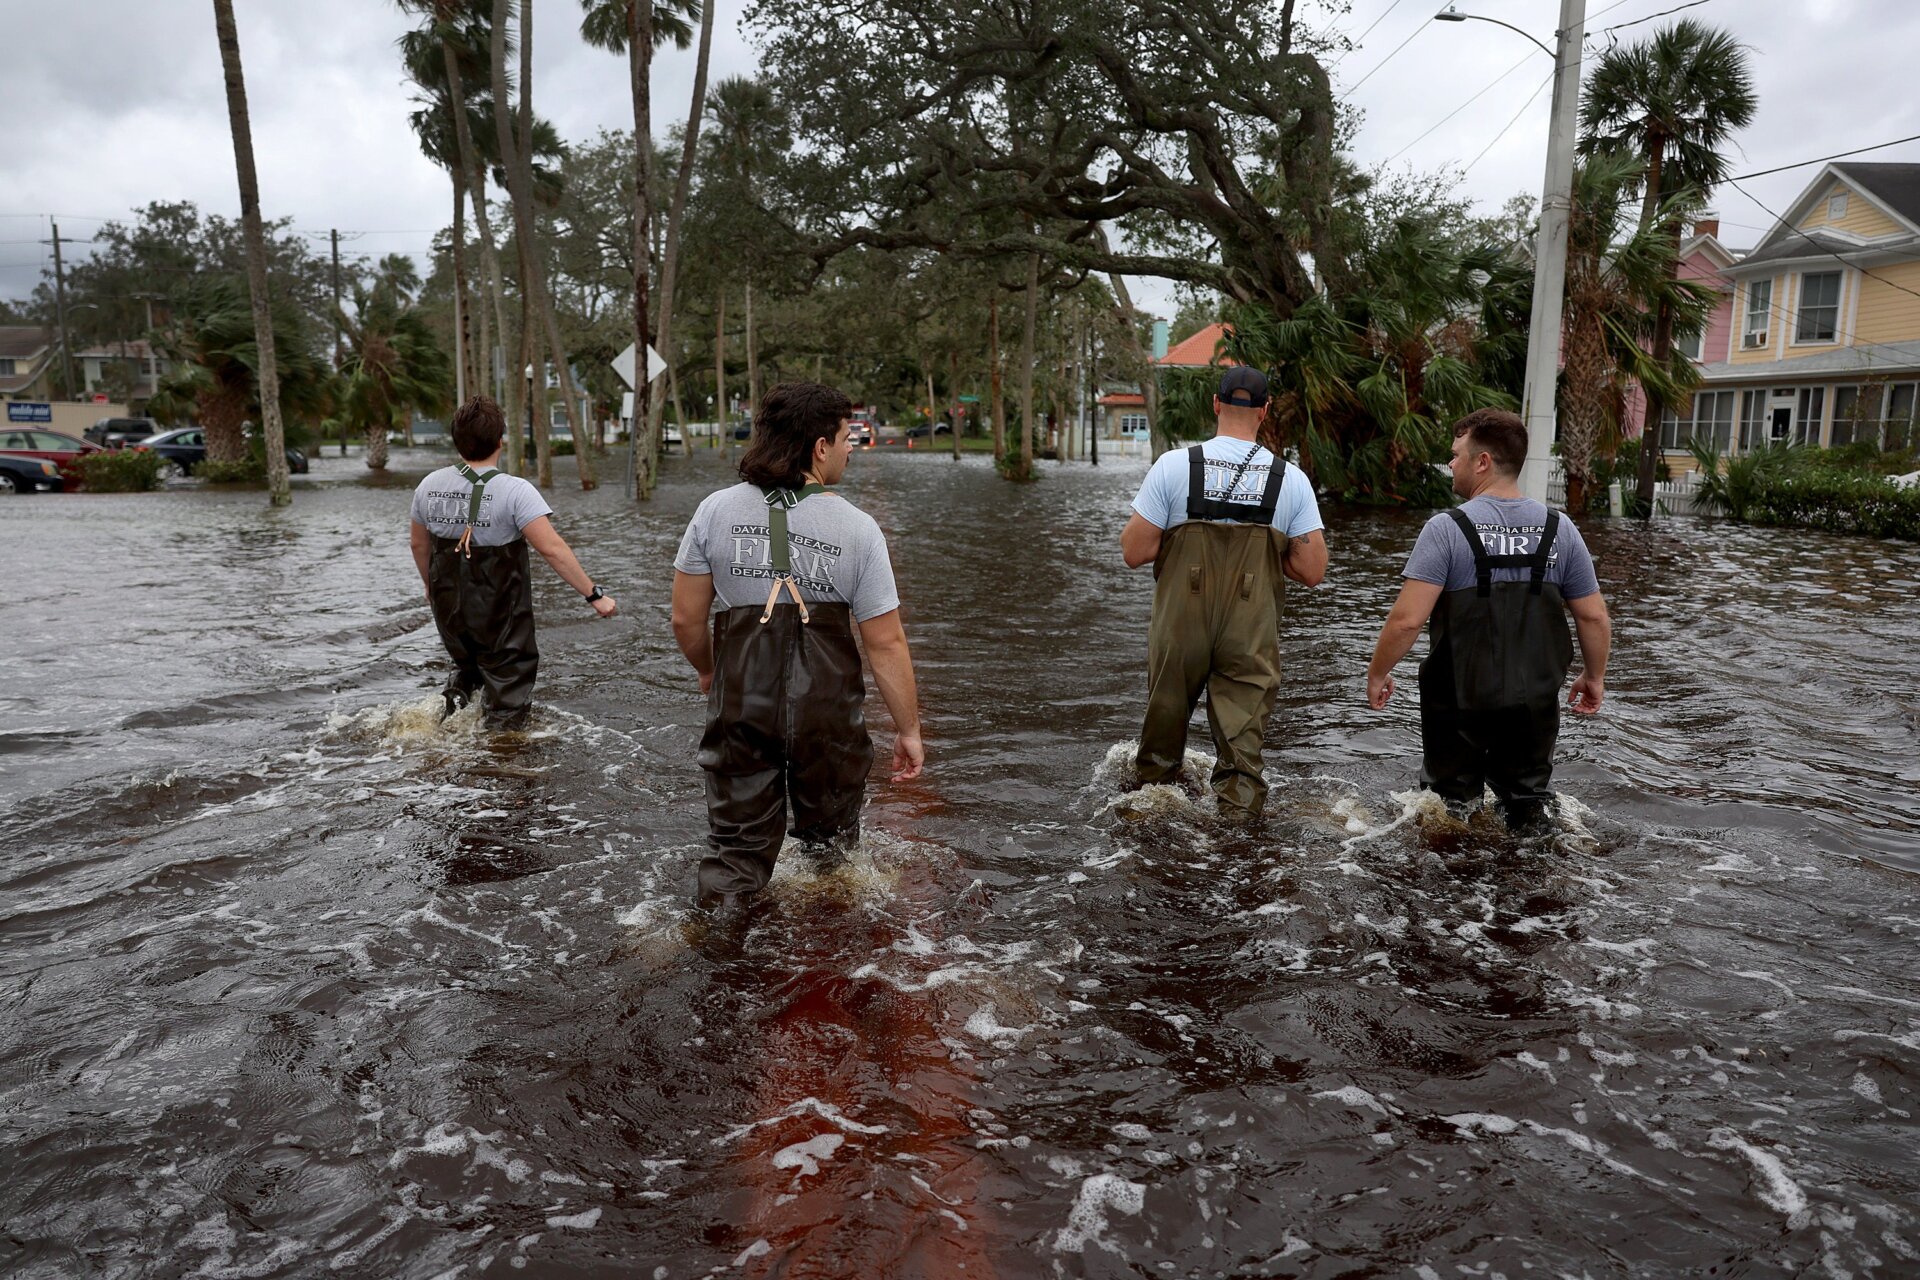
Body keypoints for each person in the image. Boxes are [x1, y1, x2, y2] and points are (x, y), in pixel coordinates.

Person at [671, 380, 924, 911]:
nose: (852, 447)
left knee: (735, 855)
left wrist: (709, 670)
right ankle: (825, 963)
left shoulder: (714, 511)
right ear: (820, 448)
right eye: (846, 437)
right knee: (832, 860)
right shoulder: (858, 529)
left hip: (742, 703)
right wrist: (908, 728)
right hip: (826, 717)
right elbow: (886, 643)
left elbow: (686, 619)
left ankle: (713, 949)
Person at [1365, 407, 1612, 830]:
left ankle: (1453, 890)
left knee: (1448, 811)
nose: (1451, 463)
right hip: (1533, 702)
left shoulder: (1445, 529)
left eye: (1457, 454)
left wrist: (1378, 671)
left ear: (1483, 462)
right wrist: (1594, 676)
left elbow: (1407, 620)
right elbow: (1593, 618)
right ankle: (1533, 886)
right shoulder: (1560, 530)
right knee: (1529, 808)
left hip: (1458, 700)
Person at [1119, 365, 1328, 816]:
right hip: (1251, 627)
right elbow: (1313, 570)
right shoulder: (1289, 479)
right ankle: (1237, 847)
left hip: (1181, 624)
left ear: (1215, 404)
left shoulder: (1174, 466)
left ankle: (1150, 833)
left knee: (1159, 748)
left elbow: (1134, 552)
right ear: (1265, 411)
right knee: (1242, 756)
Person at [408, 396, 617, 727]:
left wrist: (430, 587)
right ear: (500, 441)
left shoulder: (428, 486)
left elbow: (418, 544)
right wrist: (594, 595)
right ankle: (500, 760)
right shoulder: (516, 491)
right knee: (508, 685)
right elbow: (552, 549)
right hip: (499, 612)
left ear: (456, 440)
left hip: (448, 606)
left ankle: (446, 743)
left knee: (465, 669)